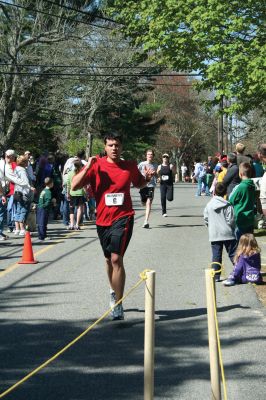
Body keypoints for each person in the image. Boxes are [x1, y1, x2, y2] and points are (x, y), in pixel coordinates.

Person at [71, 132, 155, 320]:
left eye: (117, 145)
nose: (114, 148)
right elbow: (74, 186)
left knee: (117, 259)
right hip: (102, 220)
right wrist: (87, 168)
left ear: (121, 147)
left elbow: (139, 183)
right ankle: (113, 290)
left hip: (123, 217)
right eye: (110, 145)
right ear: (105, 147)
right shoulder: (96, 166)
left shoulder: (129, 166)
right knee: (108, 260)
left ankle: (118, 302)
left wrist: (147, 179)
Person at [204, 182, 237, 282]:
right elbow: (230, 220)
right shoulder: (227, 205)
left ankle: (216, 276)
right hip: (227, 233)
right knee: (233, 254)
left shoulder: (209, 205)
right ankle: (240, 271)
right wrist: (233, 228)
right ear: (225, 192)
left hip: (215, 234)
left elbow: (206, 218)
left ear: (214, 192)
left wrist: (210, 227)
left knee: (216, 255)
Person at [229, 162, 255, 241]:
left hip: (240, 218)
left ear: (240, 174)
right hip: (250, 217)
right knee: (249, 242)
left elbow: (231, 200)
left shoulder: (240, 187)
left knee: (240, 242)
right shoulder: (252, 185)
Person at [138, 149, 158, 228]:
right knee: (144, 202)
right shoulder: (141, 164)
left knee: (149, 202)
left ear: (153, 156)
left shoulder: (155, 165)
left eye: (151, 154)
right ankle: (143, 201)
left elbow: (157, 175)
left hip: (151, 186)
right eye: (148, 154)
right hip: (143, 185)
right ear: (146, 155)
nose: (150, 156)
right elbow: (136, 173)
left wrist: (155, 175)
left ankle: (146, 221)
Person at [66, 157, 86, 230]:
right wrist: (86, 193)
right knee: (79, 209)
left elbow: (68, 183)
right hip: (80, 193)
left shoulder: (70, 173)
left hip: (72, 192)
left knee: (71, 209)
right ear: (80, 166)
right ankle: (77, 224)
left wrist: (68, 193)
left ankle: (71, 224)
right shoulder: (82, 173)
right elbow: (84, 184)